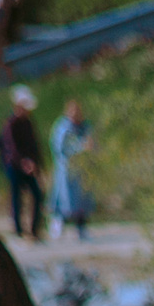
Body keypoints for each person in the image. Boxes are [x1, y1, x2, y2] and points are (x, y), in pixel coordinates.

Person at [0, 87, 43, 241]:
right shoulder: (10, 124)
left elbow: (34, 145)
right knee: (17, 197)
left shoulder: (28, 123)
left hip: (29, 167)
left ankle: (34, 229)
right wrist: (23, 162)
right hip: (14, 167)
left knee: (37, 194)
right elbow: (11, 148)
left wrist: (37, 164)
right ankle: (18, 230)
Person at [47, 99, 94, 241]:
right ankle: (57, 225)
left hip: (82, 170)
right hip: (66, 170)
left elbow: (92, 143)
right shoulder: (62, 127)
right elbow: (60, 148)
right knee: (63, 198)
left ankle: (81, 228)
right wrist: (80, 147)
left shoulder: (85, 126)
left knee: (82, 200)